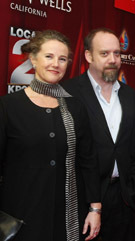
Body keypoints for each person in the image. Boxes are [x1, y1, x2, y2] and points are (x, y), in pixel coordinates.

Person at [0, 30, 101, 241]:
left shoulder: (75, 107)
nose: (56, 64)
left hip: (67, 217)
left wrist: (95, 209)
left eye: (62, 59)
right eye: (49, 56)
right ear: (33, 59)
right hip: (21, 217)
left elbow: (88, 161)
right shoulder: (8, 106)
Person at [62, 28, 135, 241]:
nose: (113, 59)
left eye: (117, 53)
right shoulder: (69, 91)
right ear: (89, 56)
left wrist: (134, 186)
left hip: (124, 197)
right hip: (85, 198)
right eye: (105, 53)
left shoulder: (128, 93)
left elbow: (133, 146)